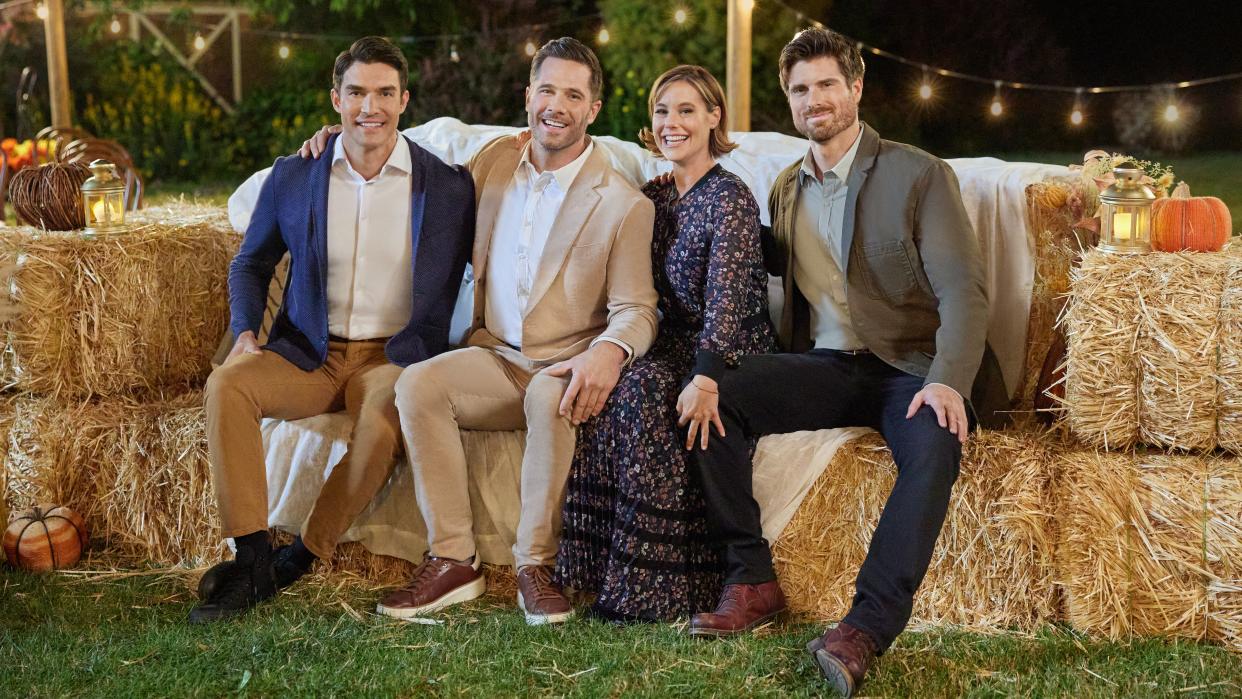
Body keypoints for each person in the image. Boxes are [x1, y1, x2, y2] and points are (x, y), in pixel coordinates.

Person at [687, 27, 1005, 697]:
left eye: (828, 83)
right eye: (800, 89)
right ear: (790, 101)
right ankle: (751, 578)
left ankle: (863, 627)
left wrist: (948, 379)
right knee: (716, 393)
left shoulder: (917, 173)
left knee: (935, 443)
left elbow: (963, 291)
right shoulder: (784, 188)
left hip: (911, 365)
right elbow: (751, 261)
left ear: (856, 88)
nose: (815, 99)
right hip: (829, 365)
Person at [303, 37, 659, 625]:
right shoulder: (492, 164)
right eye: (548, 90)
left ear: (594, 109)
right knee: (415, 385)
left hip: (565, 365)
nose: (557, 106)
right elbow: (405, 169)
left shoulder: (622, 203)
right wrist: (335, 139)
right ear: (527, 96)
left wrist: (610, 352)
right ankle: (453, 561)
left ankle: (534, 568)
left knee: (550, 394)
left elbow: (638, 308)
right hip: (494, 356)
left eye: (574, 94)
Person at [189, 36, 475, 624]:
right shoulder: (297, 175)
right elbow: (251, 261)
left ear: (404, 101)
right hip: (309, 351)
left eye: (384, 93)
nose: (370, 106)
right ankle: (251, 558)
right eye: (357, 93)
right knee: (229, 385)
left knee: (377, 429)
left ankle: (301, 556)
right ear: (336, 100)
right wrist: (246, 331)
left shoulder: (447, 187)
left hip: (394, 356)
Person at [555, 65, 775, 623]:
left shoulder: (730, 198)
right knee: (614, 381)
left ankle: (655, 592)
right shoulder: (651, 195)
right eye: (662, 111)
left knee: (644, 390)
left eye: (686, 110)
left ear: (713, 118)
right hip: (667, 342)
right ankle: (600, 571)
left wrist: (705, 376)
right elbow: (587, 166)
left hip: (728, 350)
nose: (672, 123)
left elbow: (727, 303)